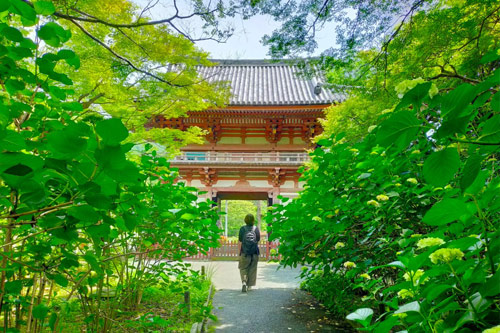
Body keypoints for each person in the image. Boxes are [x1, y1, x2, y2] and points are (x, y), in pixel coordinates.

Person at [238, 213, 260, 292]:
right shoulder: (256, 229)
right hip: (254, 252)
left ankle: (244, 282)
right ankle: (250, 286)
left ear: (245, 220)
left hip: (244, 252)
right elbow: (257, 239)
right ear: (253, 220)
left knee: (243, 268)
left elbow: (240, 240)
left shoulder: (242, 229)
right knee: (252, 269)